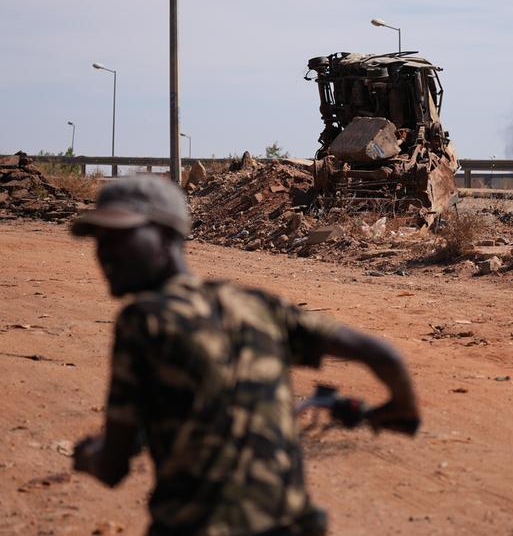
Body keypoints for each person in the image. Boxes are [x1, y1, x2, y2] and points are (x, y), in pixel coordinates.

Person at [71, 175, 420, 536]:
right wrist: (401, 409)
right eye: (99, 240)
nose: (104, 252)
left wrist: (86, 457)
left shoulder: (143, 319)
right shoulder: (255, 304)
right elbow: (382, 354)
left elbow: (112, 467)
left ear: (166, 235)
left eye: (119, 237)